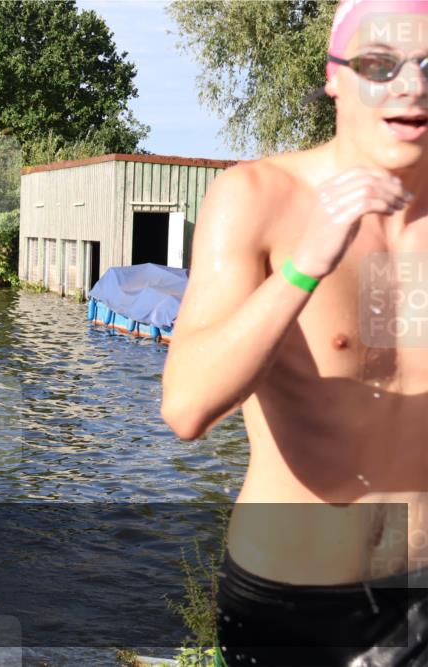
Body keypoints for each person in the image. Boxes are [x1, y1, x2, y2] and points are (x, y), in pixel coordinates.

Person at [160, 3, 428, 664]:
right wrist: (305, 266)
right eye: (380, 65)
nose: (412, 85)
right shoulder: (257, 198)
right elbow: (187, 406)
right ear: (334, 76)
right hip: (293, 602)